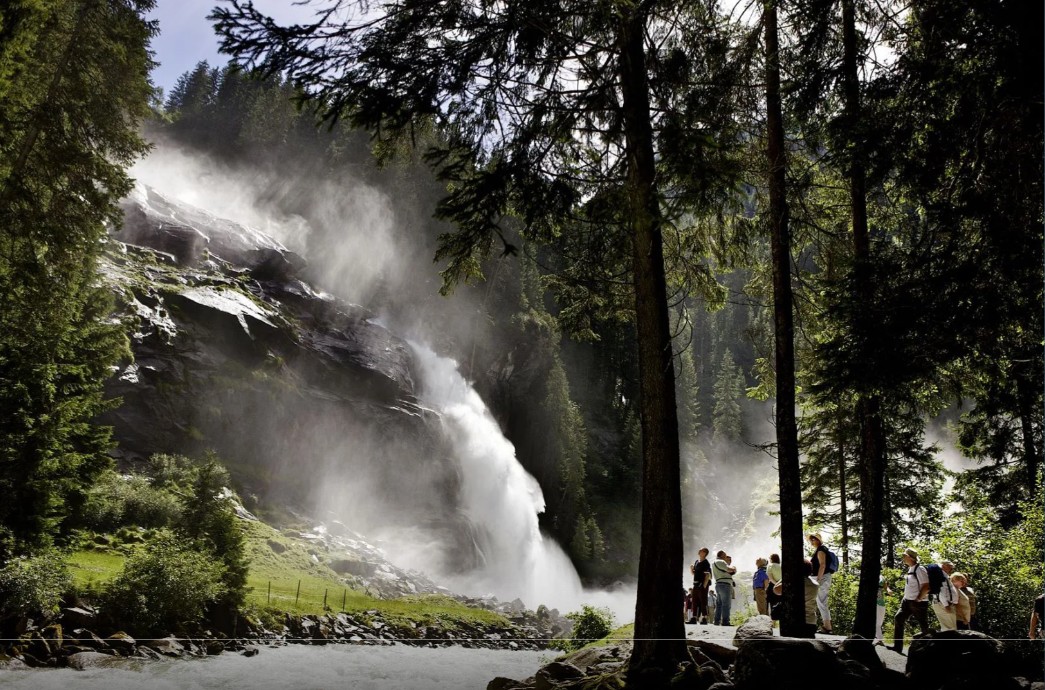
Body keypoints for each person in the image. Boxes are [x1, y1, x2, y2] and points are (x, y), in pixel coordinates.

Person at [891, 547, 930, 654]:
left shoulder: (920, 569)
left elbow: (926, 586)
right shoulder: (911, 568)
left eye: (904, 556)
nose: (903, 558)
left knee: (923, 626)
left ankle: (930, 649)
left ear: (909, 557)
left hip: (918, 602)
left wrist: (918, 598)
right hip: (907, 601)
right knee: (898, 618)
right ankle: (897, 647)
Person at [808, 532, 833, 633]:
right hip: (823, 578)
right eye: (811, 540)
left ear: (818, 540)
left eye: (814, 539)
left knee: (822, 601)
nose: (812, 541)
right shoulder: (822, 549)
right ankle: (827, 625)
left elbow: (822, 565)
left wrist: (818, 579)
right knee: (820, 602)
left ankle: (827, 627)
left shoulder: (821, 550)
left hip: (821, 578)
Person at [932, 564, 960, 631]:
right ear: (943, 566)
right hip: (943, 604)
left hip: (946, 604)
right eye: (950, 567)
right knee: (949, 628)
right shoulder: (940, 577)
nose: (952, 569)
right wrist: (946, 605)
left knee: (951, 627)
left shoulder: (945, 576)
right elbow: (941, 592)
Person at [711, 550, 736, 625]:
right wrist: (734, 569)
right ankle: (725, 621)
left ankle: (716, 621)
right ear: (721, 555)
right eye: (725, 555)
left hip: (719, 584)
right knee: (726, 604)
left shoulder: (715, 562)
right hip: (724, 585)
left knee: (719, 604)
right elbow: (729, 569)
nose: (726, 557)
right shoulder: (720, 562)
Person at [692, 548, 712, 624]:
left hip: (703, 584)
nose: (699, 551)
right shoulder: (696, 562)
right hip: (695, 583)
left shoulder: (706, 563)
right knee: (694, 600)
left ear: (705, 553)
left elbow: (707, 575)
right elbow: (695, 573)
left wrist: (704, 586)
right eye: (699, 550)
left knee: (703, 601)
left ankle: (704, 618)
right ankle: (694, 618)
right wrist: (691, 569)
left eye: (701, 551)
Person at [875, 574, 891, 644]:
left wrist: (889, 590)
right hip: (872, 602)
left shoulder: (881, 577)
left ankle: (878, 638)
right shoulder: (868, 575)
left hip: (881, 602)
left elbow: (886, 587)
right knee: (877, 623)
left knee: (880, 622)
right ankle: (879, 639)